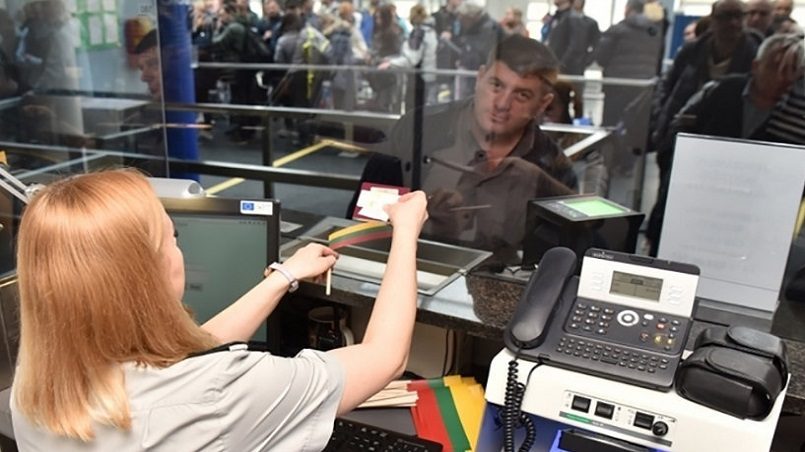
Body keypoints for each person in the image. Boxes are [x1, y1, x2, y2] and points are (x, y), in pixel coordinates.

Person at [11, 168, 428, 451]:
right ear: (148, 274)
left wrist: (283, 278)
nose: (179, 248)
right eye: (173, 237)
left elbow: (195, 354)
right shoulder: (222, 392)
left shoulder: (37, 387)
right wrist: (406, 230)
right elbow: (385, 356)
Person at [386, 34, 577, 265]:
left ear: (543, 104)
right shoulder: (418, 129)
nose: (502, 104)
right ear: (479, 78)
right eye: (496, 85)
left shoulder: (551, 167)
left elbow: (557, 261)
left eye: (522, 95)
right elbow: (366, 216)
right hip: (411, 270)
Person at [647, 33, 804, 256]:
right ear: (756, 66)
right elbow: (677, 133)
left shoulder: (793, 115)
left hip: (749, 226)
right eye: (774, 66)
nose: (782, 76)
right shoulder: (721, 90)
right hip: (695, 208)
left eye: (791, 69)